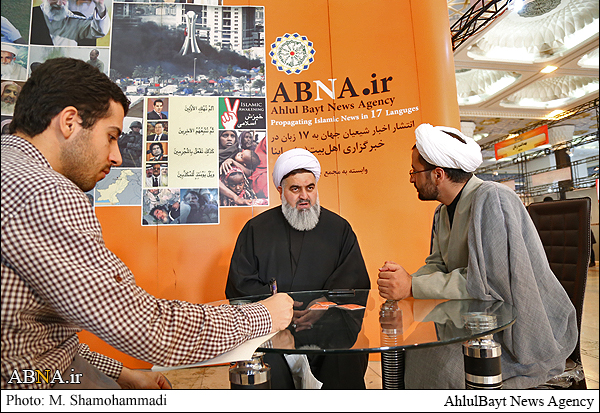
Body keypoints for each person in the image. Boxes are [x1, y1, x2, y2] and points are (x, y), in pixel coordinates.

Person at [1, 57, 293, 389]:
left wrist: (123, 374)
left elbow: (38, 336)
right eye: (111, 136)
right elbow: (147, 327)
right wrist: (263, 316)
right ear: (69, 122)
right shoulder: (43, 192)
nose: (117, 157)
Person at [376, 123, 578, 389]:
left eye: (414, 171)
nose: (411, 179)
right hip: (475, 322)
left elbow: (488, 283)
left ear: (438, 174)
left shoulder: (493, 199)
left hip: (517, 333)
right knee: (416, 351)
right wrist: (405, 280)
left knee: (441, 369)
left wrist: (412, 285)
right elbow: (438, 264)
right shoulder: (442, 212)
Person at [225, 148, 371, 389]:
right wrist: (276, 312)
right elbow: (240, 286)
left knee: (345, 360)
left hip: (326, 331)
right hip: (272, 333)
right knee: (265, 367)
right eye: (295, 189)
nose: (305, 196)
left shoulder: (338, 228)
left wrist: (324, 304)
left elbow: (354, 281)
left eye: (310, 188)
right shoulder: (256, 230)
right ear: (280, 190)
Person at [30, 0, 110, 46]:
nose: (59, 3)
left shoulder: (75, 17)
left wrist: (100, 6)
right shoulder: (31, 16)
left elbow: (98, 31)